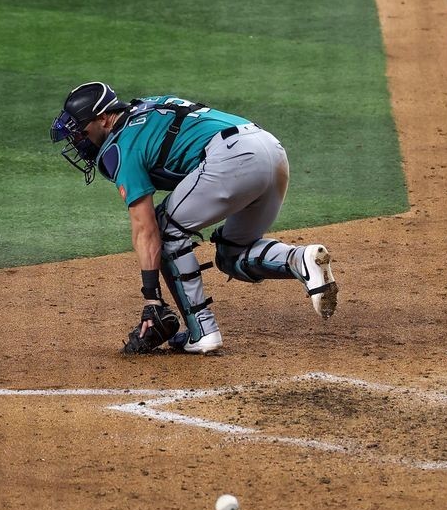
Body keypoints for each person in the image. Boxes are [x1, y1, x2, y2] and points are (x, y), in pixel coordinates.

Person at [50, 82, 338, 354]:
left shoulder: (121, 147)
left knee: (165, 229)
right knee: (232, 253)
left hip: (232, 157)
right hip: (270, 150)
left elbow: (145, 228)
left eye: (80, 131)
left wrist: (152, 297)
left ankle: (203, 331)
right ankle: (300, 259)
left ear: (103, 118)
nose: (77, 140)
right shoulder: (146, 106)